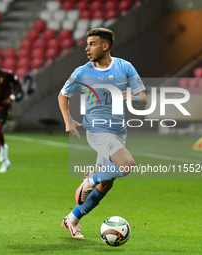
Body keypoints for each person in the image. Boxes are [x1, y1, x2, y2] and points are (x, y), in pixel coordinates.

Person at [58, 28, 148, 238]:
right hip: (98, 130)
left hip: (119, 131)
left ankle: (71, 219)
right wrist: (68, 119)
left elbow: (143, 98)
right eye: (87, 44)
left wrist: (132, 97)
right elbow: (63, 95)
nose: (87, 48)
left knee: (106, 183)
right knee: (126, 165)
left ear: (105, 46)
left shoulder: (124, 67)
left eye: (92, 44)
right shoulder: (82, 72)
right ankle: (90, 179)